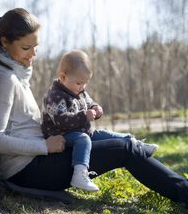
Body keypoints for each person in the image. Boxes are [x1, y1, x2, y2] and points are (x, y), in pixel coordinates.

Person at [0, 8, 188, 214]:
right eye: (26, 47)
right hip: (29, 170)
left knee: (123, 143)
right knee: (125, 151)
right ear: (4, 42)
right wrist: (45, 147)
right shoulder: (4, 80)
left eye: (36, 46)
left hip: (38, 159)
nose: (33, 54)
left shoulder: (14, 73)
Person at [41, 49, 158, 191]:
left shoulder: (78, 89)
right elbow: (61, 121)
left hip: (83, 131)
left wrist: (96, 109)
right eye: (79, 83)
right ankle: (80, 174)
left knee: (107, 135)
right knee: (82, 139)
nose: (83, 87)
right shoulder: (55, 96)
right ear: (63, 76)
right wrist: (84, 116)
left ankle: (135, 144)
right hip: (61, 135)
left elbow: (89, 103)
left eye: (85, 83)